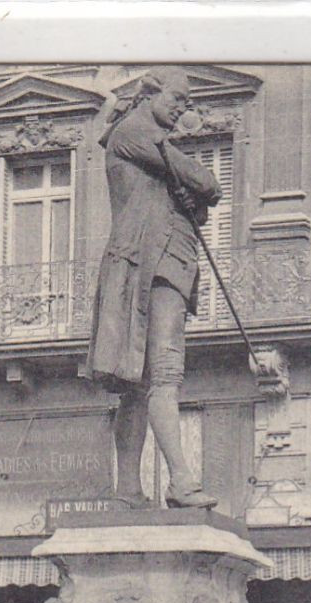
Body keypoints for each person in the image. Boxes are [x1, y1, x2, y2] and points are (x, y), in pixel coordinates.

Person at [87, 66, 222, 509]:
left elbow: (194, 204)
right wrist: (188, 185)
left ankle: (128, 491)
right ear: (150, 92)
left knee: (142, 383)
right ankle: (180, 481)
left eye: (187, 102)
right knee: (161, 376)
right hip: (148, 265)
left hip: (164, 264)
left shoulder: (151, 145)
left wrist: (187, 198)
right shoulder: (134, 132)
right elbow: (209, 185)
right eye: (178, 98)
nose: (184, 108)